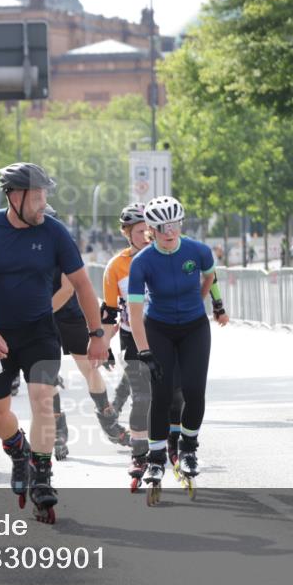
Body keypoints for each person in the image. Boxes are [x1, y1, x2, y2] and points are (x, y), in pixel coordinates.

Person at [0, 162, 105, 524]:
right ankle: (18, 450)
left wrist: (97, 334)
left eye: (45, 195)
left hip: (40, 331)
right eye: (37, 196)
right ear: (14, 196)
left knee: (43, 399)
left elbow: (84, 285)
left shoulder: (55, 232)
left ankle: (41, 474)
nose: (43, 202)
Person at [127, 196, 229, 505]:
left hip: (194, 327)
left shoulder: (197, 250)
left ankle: (188, 449)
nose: (170, 232)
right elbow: (134, 311)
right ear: (153, 230)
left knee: (194, 391)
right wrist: (144, 351)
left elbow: (211, 274)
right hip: (158, 328)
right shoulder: (142, 262)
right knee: (161, 393)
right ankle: (156, 456)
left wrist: (215, 303)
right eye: (162, 227)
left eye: (174, 226)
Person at [101, 204, 187, 491]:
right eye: (139, 232)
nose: (145, 235)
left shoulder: (166, 256)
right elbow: (109, 312)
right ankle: (139, 455)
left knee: (175, 396)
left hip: (166, 334)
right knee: (142, 398)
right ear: (127, 233)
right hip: (133, 339)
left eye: (148, 230)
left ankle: (172, 447)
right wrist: (103, 344)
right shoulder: (116, 267)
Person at [46, 205, 128, 461]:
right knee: (45, 374)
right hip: (41, 318)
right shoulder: (22, 249)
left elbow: (69, 288)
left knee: (89, 367)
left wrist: (100, 335)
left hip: (68, 313)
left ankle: (108, 418)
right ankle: (58, 429)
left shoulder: (62, 245)